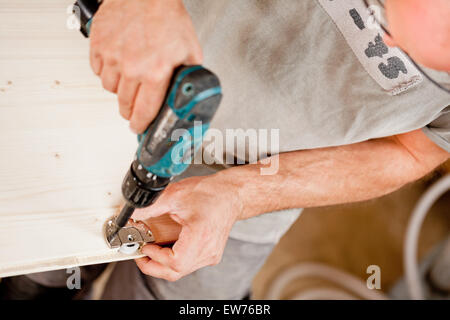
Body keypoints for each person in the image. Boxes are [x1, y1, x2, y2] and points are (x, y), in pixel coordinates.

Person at [3, 0, 449, 299]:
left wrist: (240, 195)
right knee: (34, 276)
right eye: (386, 17)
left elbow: (414, 149)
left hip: (243, 213)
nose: (387, 41)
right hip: (99, 102)